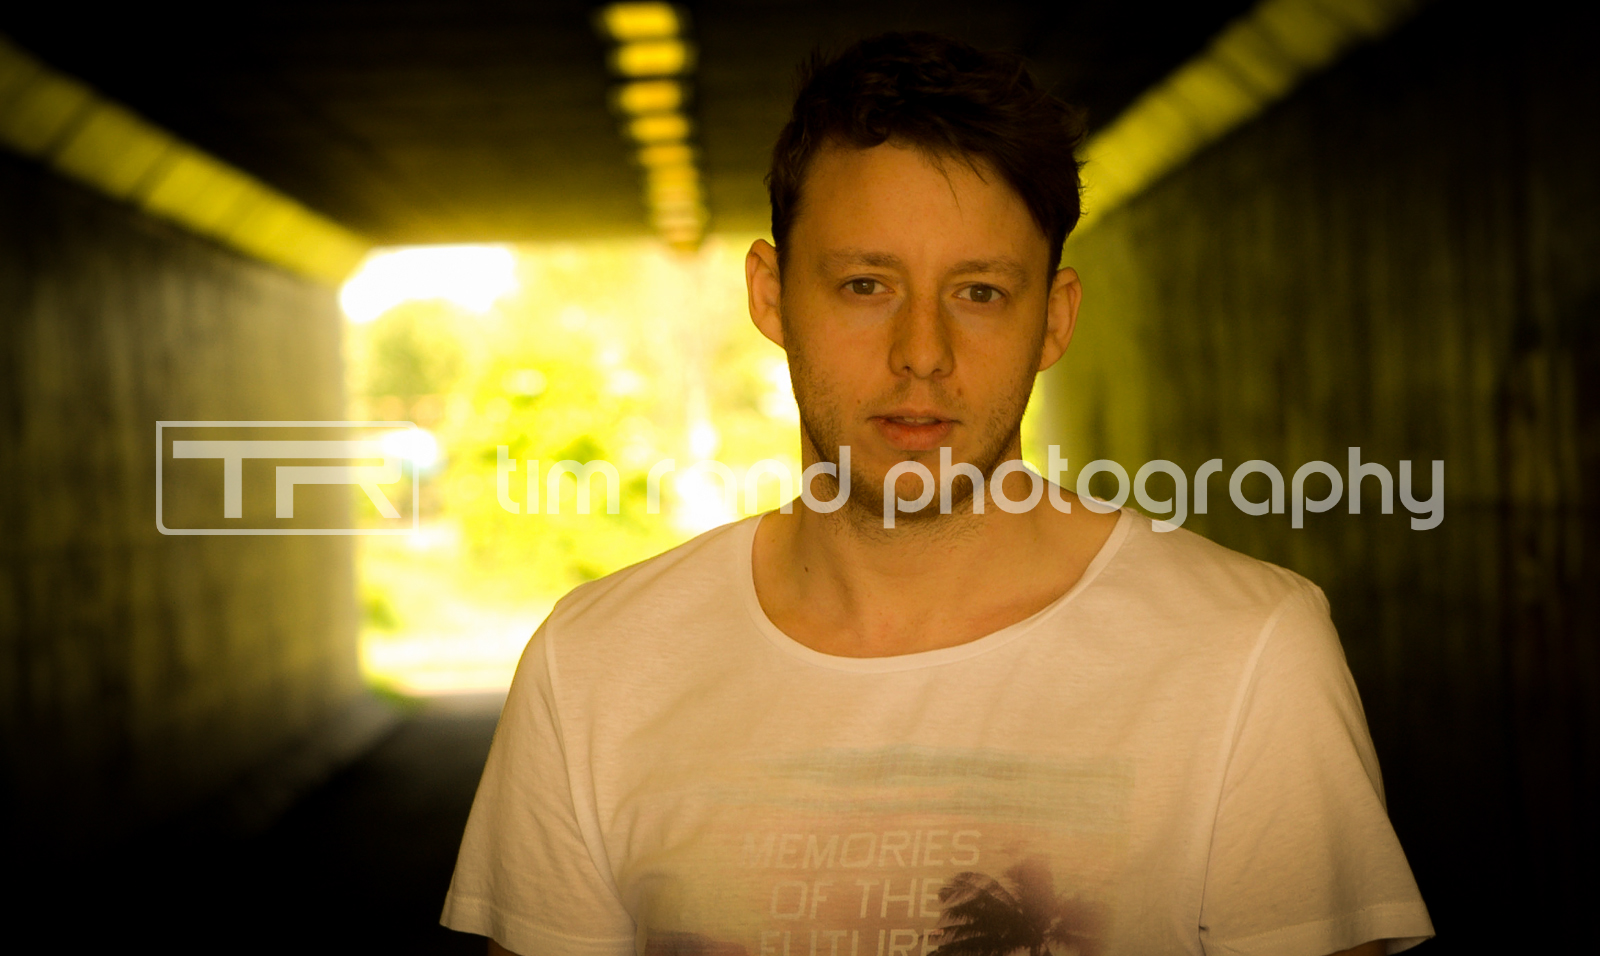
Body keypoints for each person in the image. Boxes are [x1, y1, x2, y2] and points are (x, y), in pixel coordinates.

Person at [441, 32, 1434, 956]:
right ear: (770, 296)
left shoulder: (1246, 652)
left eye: (980, 292)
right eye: (865, 285)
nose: (923, 352)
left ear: (1055, 319)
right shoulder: (595, 668)